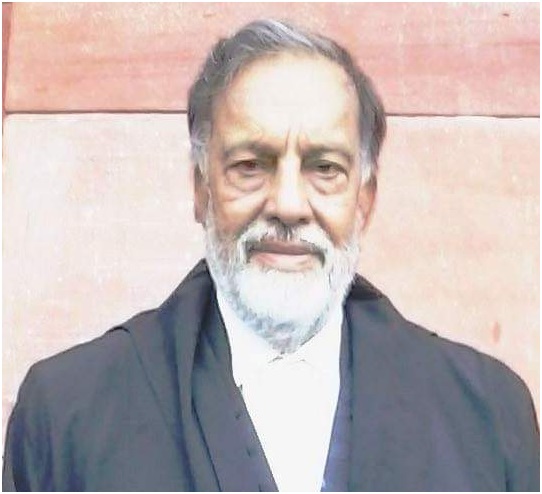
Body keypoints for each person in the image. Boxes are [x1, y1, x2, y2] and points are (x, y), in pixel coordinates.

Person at [3, 19, 539, 492]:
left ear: (365, 199)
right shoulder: (67, 415)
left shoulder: (488, 419)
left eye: (324, 168)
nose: (287, 205)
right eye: (250, 166)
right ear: (201, 188)